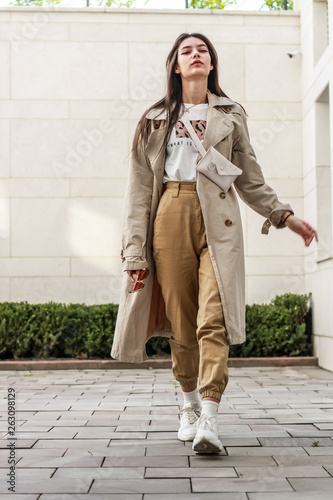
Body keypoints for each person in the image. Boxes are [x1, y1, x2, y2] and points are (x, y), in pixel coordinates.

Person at [111, 32, 318, 454]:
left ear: (212, 62)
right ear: (175, 65)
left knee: (214, 317)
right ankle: (187, 406)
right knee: (181, 322)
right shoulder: (154, 119)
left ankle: (209, 417)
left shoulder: (230, 114)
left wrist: (284, 216)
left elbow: (249, 177)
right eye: (187, 51)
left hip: (220, 219)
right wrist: (135, 251)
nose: (196, 54)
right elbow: (137, 191)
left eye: (202, 49)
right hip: (169, 212)